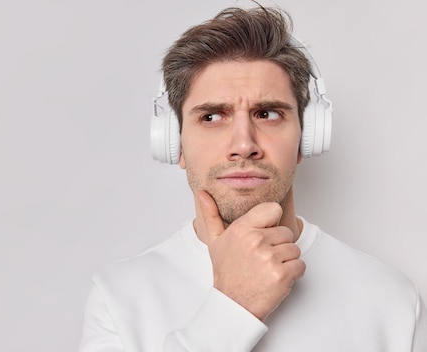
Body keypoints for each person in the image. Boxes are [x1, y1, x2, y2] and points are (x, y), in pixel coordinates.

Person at [79, 5, 427, 352]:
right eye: (213, 116)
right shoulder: (119, 298)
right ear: (175, 144)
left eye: (268, 113)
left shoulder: (391, 299)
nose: (244, 145)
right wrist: (234, 305)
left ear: (307, 140)